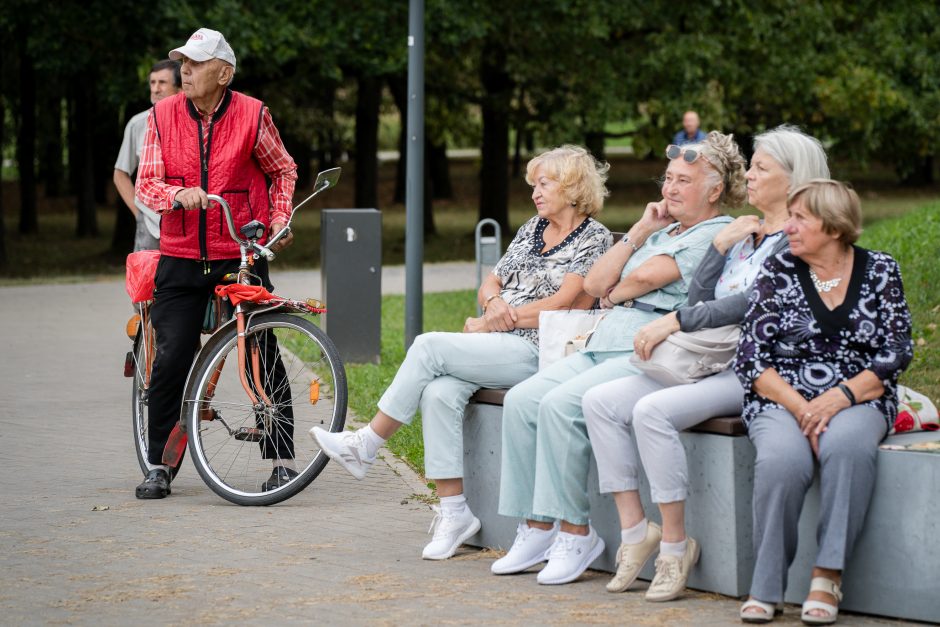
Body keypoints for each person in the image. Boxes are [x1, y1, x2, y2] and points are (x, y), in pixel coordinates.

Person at [312, 145, 613, 560]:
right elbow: (490, 282)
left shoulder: (594, 238)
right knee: (438, 392)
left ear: (573, 185)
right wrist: (491, 305)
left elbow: (567, 303)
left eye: (544, 184)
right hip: (502, 340)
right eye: (533, 185)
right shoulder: (532, 228)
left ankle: (367, 443)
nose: (535, 194)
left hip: (543, 350)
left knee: (427, 346)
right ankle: (454, 513)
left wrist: (495, 320)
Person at [581, 126, 830, 602]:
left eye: (761, 168)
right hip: (708, 357)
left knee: (652, 413)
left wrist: (673, 320)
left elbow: (751, 305)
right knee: (601, 402)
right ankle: (637, 535)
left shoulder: (800, 239)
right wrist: (718, 252)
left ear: (794, 178)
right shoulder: (746, 233)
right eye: (751, 165)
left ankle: (676, 547)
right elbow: (703, 296)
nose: (749, 176)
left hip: (754, 368)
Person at [492, 131, 745, 586]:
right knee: (523, 400)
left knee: (559, 405)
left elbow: (637, 280)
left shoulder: (713, 234)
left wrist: (619, 284)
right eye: (667, 178)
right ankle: (535, 525)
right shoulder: (661, 232)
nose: (669, 189)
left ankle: (576, 532)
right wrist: (642, 231)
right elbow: (594, 286)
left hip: (646, 348)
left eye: (683, 181)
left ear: (714, 190)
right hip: (601, 339)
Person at [734, 179, 913, 624]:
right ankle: (766, 585)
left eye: (799, 218)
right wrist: (803, 408)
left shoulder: (880, 270)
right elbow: (751, 358)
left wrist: (839, 397)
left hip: (858, 398)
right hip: (782, 398)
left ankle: (826, 575)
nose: (788, 227)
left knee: (847, 448)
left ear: (833, 227)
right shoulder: (777, 270)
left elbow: (896, 351)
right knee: (781, 460)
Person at [134, 28, 298, 499]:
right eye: (182, 61)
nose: (184, 70)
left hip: (240, 252)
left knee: (263, 349)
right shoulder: (162, 115)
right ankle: (158, 465)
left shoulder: (252, 114)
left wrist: (279, 219)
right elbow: (147, 184)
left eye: (196, 63)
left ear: (223, 73)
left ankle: (281, 458)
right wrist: (174, 194)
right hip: (181, 256)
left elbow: (281, 168)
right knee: (171, 358)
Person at [113, 59, 181, 251]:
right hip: (150, 225)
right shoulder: (138, 123)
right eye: (152, 82)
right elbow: (120, 174)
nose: (156, 89)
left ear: (180, 88)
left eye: (162, 82)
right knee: (146, 280)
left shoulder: (193, 123)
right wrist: (139, 213)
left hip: (186, 224)